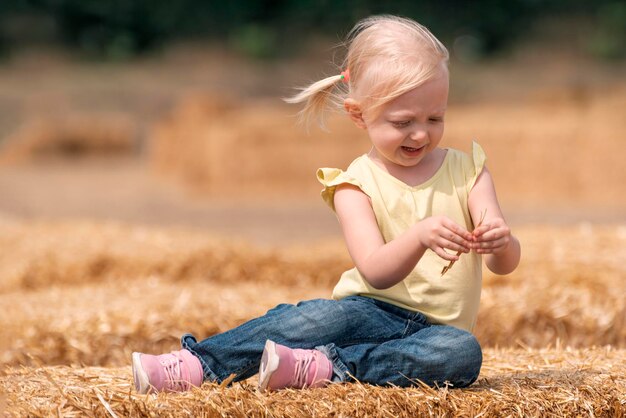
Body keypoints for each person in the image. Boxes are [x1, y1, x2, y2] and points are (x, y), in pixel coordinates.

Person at [131, 14, 521, 394]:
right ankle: (200, 364)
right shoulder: (355, 184)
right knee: (308, 319)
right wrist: (419, 236)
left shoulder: (468, 170)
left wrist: (502, 243)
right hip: (367, 312)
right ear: (359, 115)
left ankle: (329, 368)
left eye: (435, 118)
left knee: (463, 354)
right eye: (403, 122)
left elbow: (503, 265)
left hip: (439, 333)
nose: (420, 133)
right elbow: (375, 272)